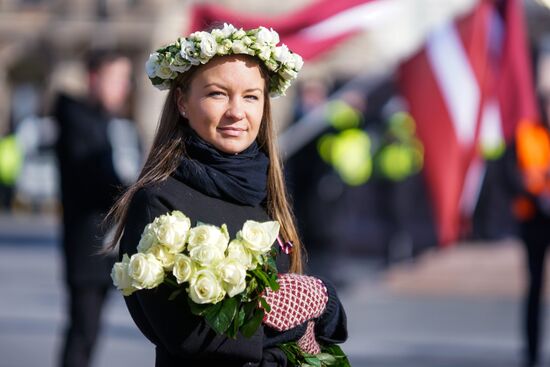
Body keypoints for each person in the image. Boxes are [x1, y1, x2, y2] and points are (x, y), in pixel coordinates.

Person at [106, 23, 348, 366]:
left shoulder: (267, 194)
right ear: (183, 103)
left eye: (251, 96)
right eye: (218, 94)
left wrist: (323, 306)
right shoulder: (159, 201)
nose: (237, 112)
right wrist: (299, 321)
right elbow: (190, 337)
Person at [53, 50, 137, 367]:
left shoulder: (112, 122)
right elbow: (93, 179)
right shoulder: (78, 119)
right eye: (116, 79)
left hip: (111, 244)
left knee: (91, 331)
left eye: (125, 80)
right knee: (83, 331)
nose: (123, 88)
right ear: (94, 78)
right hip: (87, 245)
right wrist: (134, 191)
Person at [507, 40, 550, 367]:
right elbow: (510, 172)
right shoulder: (525, 131)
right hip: (534, 218)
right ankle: (531, 353)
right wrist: (534, 195)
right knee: (534, 287)